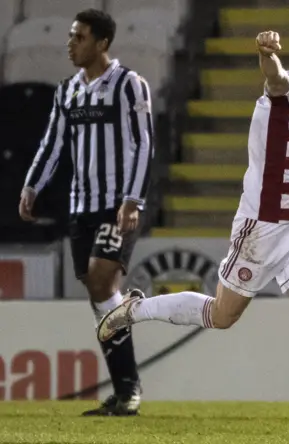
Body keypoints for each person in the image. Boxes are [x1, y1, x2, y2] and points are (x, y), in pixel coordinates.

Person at [97, 24, 289, 436]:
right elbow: (274, 77)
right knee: (221, 315)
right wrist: (266, 53)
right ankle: (136, 310)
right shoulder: (288, 89)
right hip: (260, 227)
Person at [19, 9, 153, 415]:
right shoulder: (67, 91)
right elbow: (53, 144)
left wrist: (133, 199)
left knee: (99, 280)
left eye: (79, 37)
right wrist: (32, 184)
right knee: (101, 296)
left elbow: (144, 144)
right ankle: (125, 390)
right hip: (82, 207)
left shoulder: (129, 85)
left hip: (116, 206)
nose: (70, 43)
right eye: (71, 36)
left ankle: (130, 386)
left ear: (102, 44)